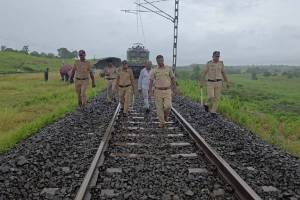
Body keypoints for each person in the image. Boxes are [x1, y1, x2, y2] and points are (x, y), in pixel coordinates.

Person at [149, 55, 177, 128]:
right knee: (159, 108)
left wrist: (174, 89)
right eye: (158, 60)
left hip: (167, 90)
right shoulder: (154, 70)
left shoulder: (168, 69)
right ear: (157, 61)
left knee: (168, 106)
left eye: (161, 60)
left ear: (163, 60)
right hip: (158, 90)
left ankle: (165, 116)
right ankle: (162, 122)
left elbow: (173, 79)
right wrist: (150, 91)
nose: (160, 62)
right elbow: (151, 81)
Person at [199, 51, 229, 117]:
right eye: (216, 56)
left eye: (218, 56)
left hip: (219, 82)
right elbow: (204, 73)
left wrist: (227, 82)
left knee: (217, 98)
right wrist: (201, 82)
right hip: (210, 82)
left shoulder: (221, 63)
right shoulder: (209, 63)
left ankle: (213, 111)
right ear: (213, 57)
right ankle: (206, 104)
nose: (217, 58)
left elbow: (223, 73)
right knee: (211, 96)